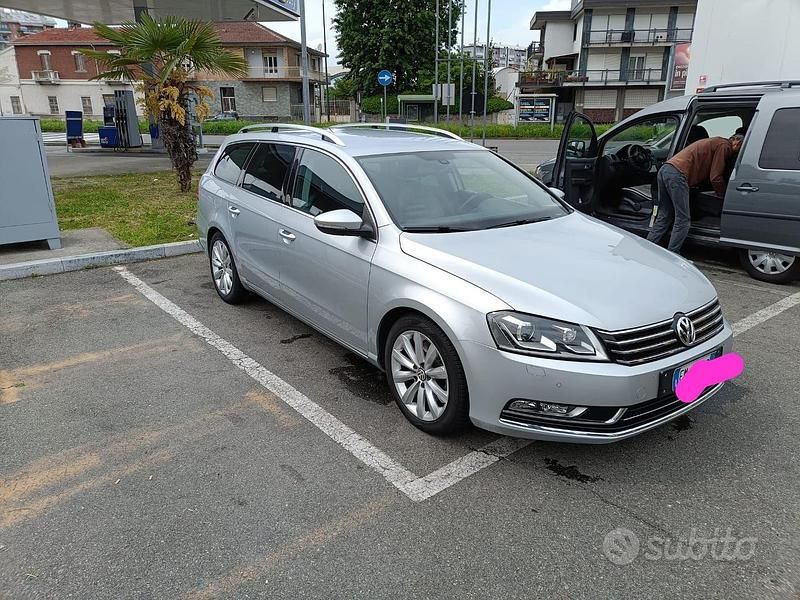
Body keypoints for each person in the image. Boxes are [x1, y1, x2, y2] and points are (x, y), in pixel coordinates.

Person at [647, 132, 744, 254]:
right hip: (678, 175)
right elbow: (715, 176)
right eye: (741, 148)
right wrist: (724, 196)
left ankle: (647, 249)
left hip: (665, 169)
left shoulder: (716, 141)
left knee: (664, 215)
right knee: (683, 219)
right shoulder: (725, 146)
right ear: (738, 142)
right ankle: (673, 255)